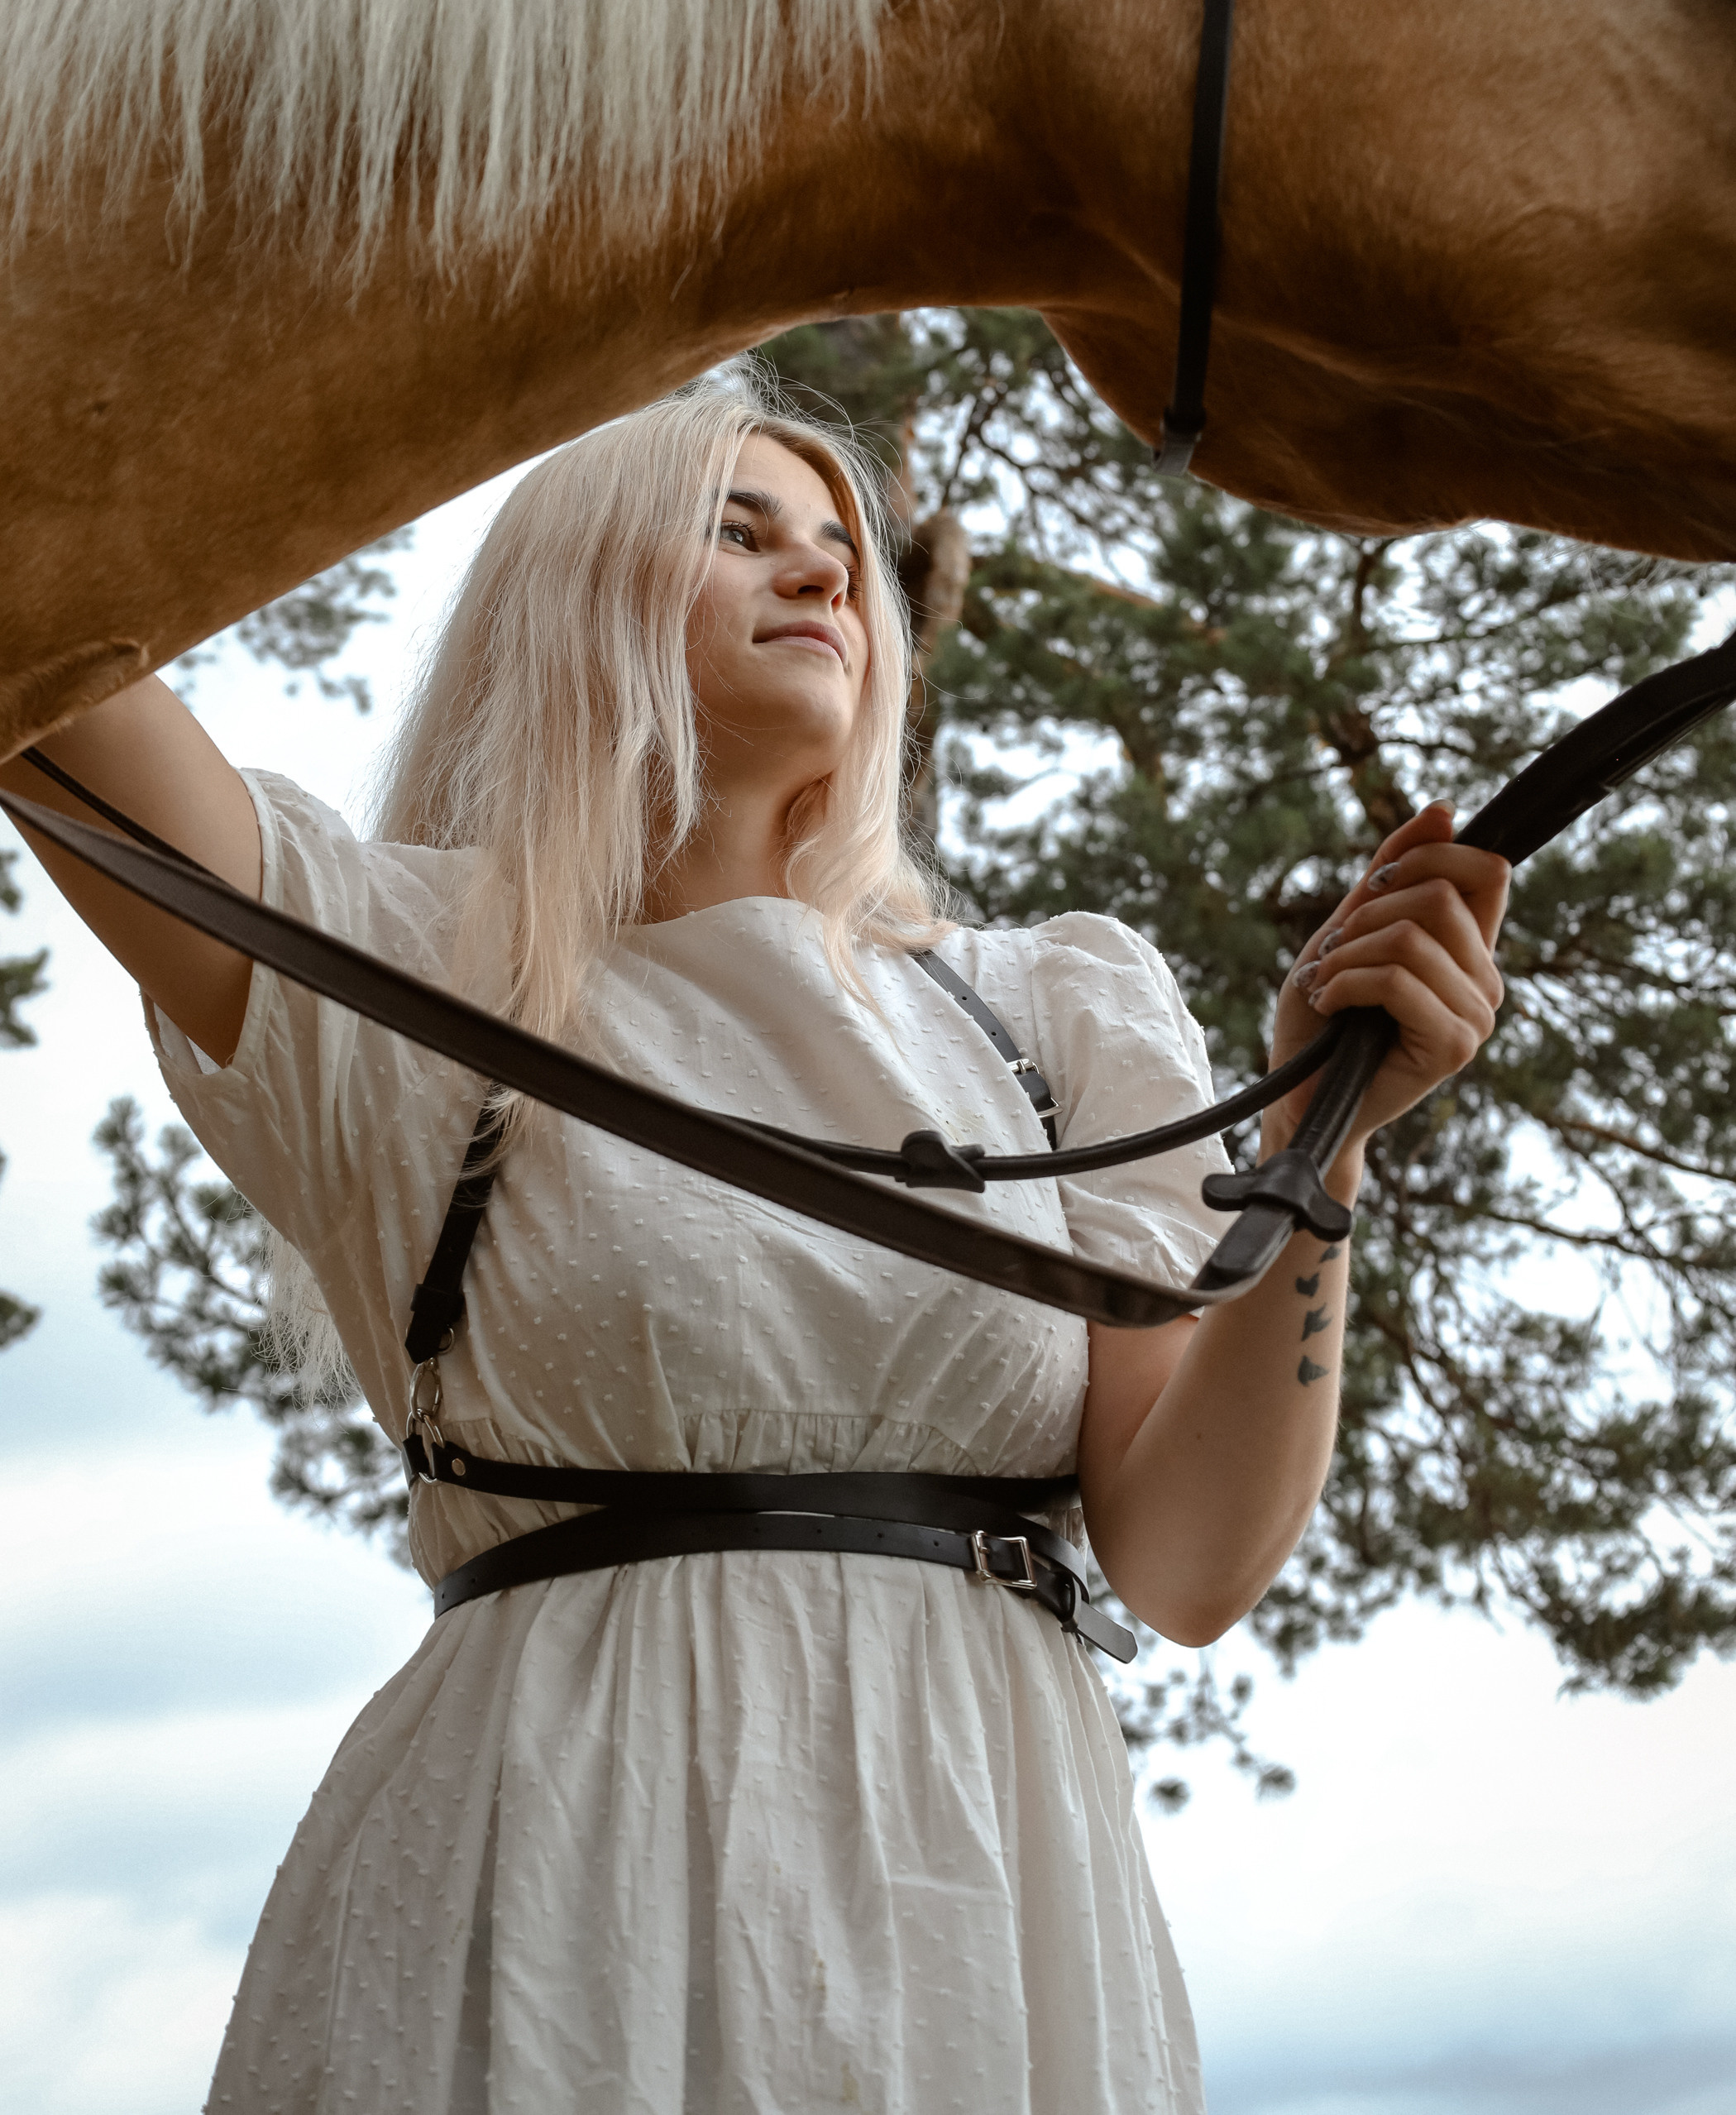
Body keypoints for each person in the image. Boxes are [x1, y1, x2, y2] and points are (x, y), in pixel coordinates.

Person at [5, 373, 1509, 2115]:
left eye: (843, 554)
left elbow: (1183, 1562)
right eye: (735, 531)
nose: (821, 578)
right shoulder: (391, 972)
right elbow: (44, 615)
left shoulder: (1044, 1016)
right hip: (551, 1863)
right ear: (571, 593)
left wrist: (1322, 1139)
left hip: (981, 1869)